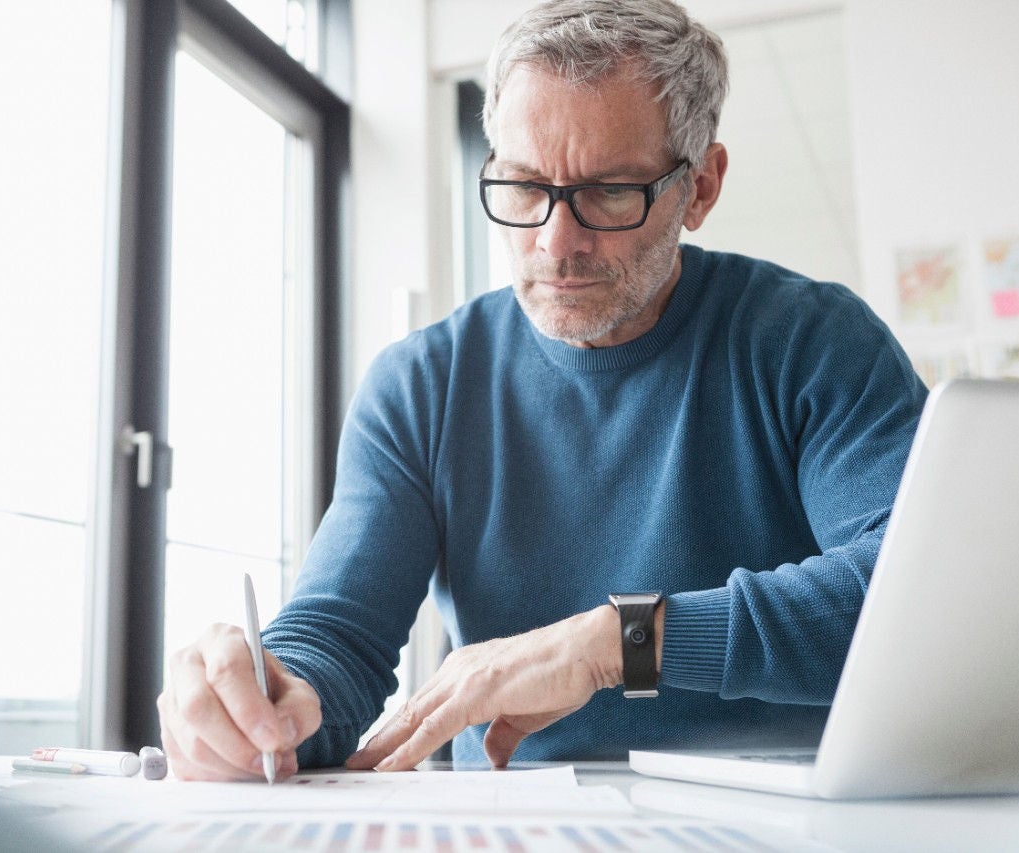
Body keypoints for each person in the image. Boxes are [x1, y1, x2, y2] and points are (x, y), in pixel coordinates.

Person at [157, 0, 927, 781]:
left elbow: (915, 593)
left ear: (700, 188)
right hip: (509, 816)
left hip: (778, 805)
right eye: (524, 187)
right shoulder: (422, 385)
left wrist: (614, 644)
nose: (556, 242)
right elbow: (338, 640)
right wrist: (266, 703)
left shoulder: (813, 340)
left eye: (611, 193)